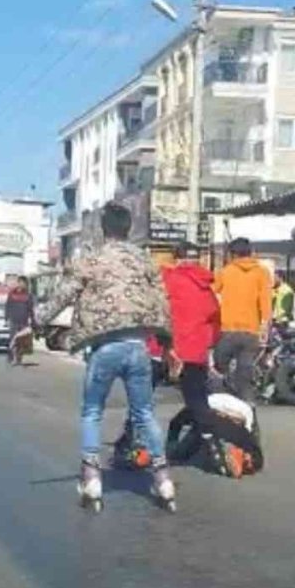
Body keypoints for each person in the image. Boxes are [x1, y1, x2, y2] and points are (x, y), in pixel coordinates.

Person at [60, 200, 174, 510]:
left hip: (105, 347)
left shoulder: (92, 259)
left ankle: (92, 476)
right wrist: (166, 341)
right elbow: (162, 303)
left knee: (92, 411)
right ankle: (163, 478)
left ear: (102, 228)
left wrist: (39, 318)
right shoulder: (146, 261)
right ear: (129, 228)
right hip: (138, 348)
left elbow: (65, 292)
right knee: (144, 413)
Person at [164, 242, 261, 478]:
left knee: (146, 401)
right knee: (231, 385)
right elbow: (214, 319)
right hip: (236, 338)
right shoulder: (210, 284)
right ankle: (237, 435)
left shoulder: (171, 279)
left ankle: (140, 448)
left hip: (173, 349)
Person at [214, 238, 271, 402]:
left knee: (219, 370)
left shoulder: (226, 272)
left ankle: (222, 407)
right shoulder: (262, 272)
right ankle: (249, 412)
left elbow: (211, 293)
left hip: (228, 330)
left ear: (232, 254)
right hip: (251, 332)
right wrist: (264, 328)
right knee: (245, 376)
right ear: (250, 252)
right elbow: (265, 302)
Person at [5, 276, 35, 365]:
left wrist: (32, 320)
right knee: (13, 340)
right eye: (20, 282)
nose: (22, 285)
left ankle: (19, 358)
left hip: (24, 321)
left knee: (21, 341)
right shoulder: (12, 294)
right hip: (14, 320)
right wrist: (6, 318)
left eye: (24, 283)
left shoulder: (28, 296)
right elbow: (7, 307)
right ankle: (12, 357)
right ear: (18, 283)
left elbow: (31, 309)